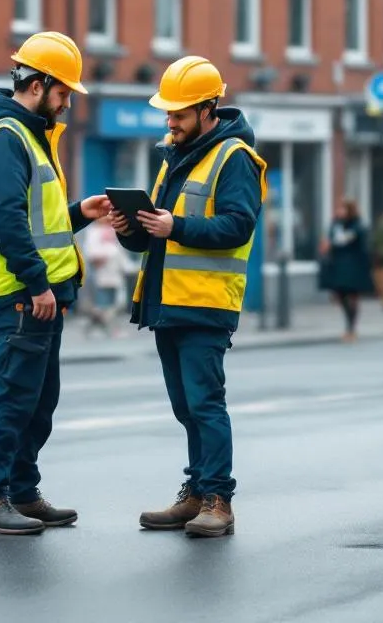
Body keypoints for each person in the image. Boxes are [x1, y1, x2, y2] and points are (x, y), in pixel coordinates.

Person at [109, 56, 266, 539]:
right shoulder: (175, 155)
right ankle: (197, 492)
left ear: (208, 108)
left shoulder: (234, 156)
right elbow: (157, 237)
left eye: (178, 113)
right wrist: (130, 231)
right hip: (168, 302)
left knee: (205, 404)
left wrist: (175, 225)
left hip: (205, 303)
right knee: (185, 406)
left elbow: (238, 225)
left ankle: (219, 500)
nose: (169, 121)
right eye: (168, 113)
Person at [0, 31, 111, 536]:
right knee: (10, 397)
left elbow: (36, 222)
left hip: (38, 294)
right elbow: (6, 221)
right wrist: (36, 284)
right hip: (21, 295)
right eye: (64, 92)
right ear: (40, 84)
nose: (67, 102)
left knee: (37, 400)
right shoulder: (7, 138)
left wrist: (79, 214)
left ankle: (21, 492)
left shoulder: (27, 135)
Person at [318, 199, 375, 342]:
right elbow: (330, 241)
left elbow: (352, 241)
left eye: (343, 209)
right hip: (338, 265)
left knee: (352, 296)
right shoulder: (335, 224)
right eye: (339, 209)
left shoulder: (358, 226)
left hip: (353, 266)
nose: (340, 212)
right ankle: (349, 326)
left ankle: (351, 328)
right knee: (341, 295)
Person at [79, 216, 133, 337]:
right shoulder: (94, 231)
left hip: (115, 274)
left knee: (115, 304)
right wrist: (99, 259)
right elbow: (91, 252)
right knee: (104, 304)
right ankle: (110, 329)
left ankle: (96, 325)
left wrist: (128, 267)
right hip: (101, 273)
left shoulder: (113, 230)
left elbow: (120, 252)